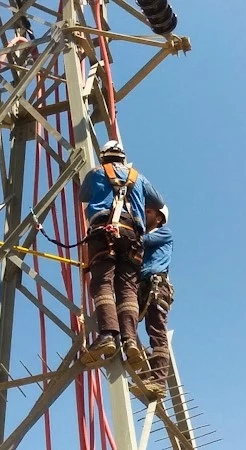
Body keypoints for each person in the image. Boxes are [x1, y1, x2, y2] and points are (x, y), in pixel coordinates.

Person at [78, 140, 164, 366]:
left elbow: (82, 196)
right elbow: (158, 201)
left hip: (103, 232)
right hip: (133, 237)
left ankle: (108, 335)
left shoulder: (96, 172)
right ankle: (130, 340)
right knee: (127, 289)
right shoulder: (139, 178)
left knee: (103, 282)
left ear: (104, 156)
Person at [136, 204, 174, 397]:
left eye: (148, 212)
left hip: (157, 285)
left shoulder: (164, 233)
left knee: (156, 331)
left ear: (159, 218)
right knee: (125, 324)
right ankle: (147, 368)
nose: (144, 214)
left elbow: (143, 240)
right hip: (143, 286)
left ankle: (158, 381)